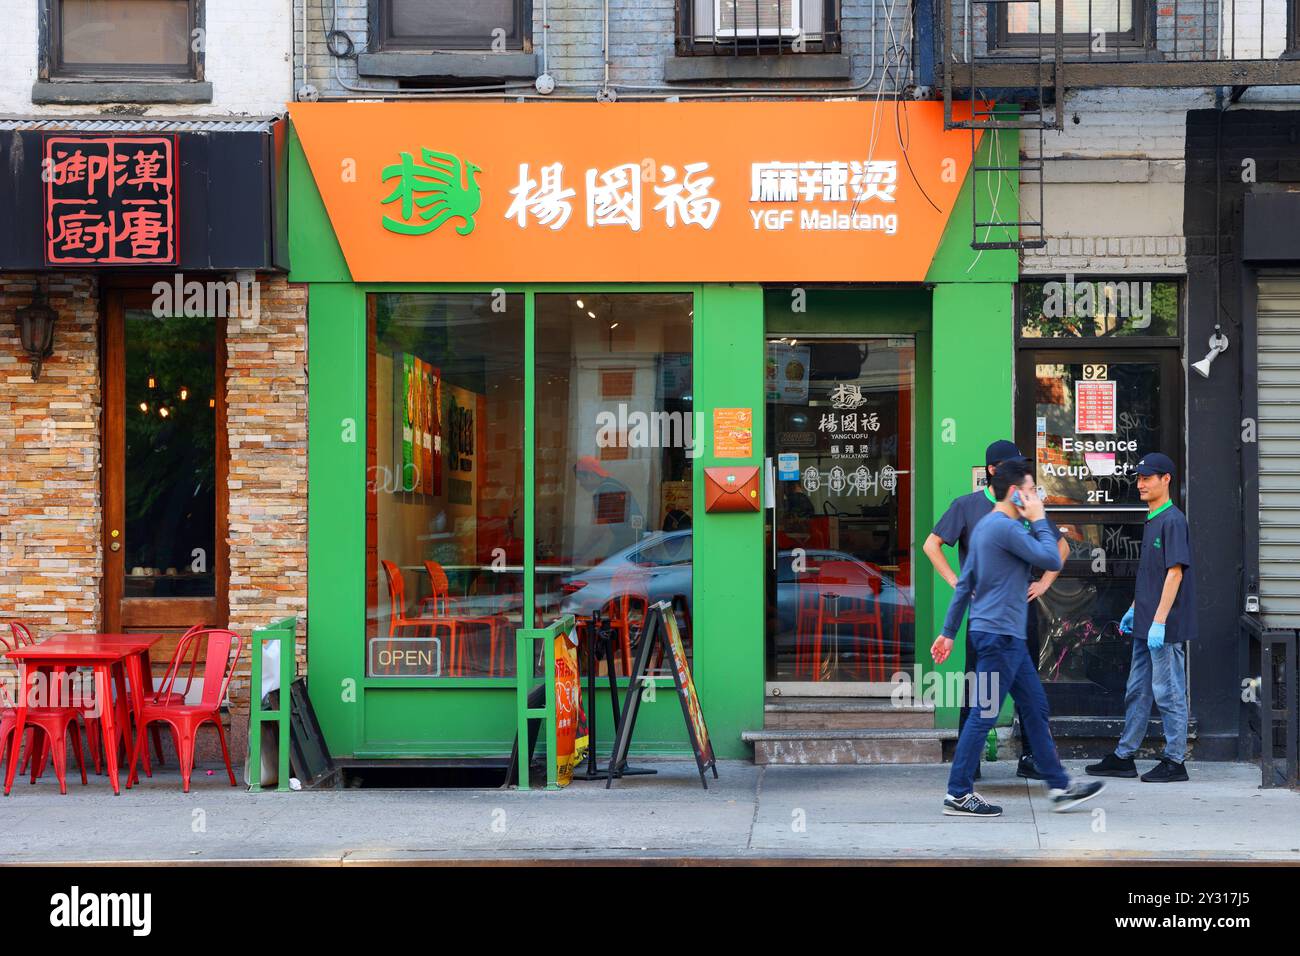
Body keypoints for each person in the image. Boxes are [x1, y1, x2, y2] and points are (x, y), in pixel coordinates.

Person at [932, 457, 1104, 817]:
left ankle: (1058, 786)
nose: (1034, 496)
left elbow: (965, 584)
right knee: (984, 713)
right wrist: (1039, 516)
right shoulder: (1005, 530)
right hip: (999, 637)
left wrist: (948, 633)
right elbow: (1051, 558)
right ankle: (958, 793)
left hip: (1000, 636)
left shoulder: (988, 528)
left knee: (1035, 708)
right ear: (1015, 493)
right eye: (1029, 490)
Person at [923, 439, 1069, 781]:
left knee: (1032, 704)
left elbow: (1059, 547)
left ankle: (1047, 772)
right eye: (1023, 478)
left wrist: (1044, 584)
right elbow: (933, 546)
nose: (1031, 489)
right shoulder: (981, 512)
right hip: (994, 627)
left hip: (1015, 622)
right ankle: (963, 776)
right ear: (995, 473)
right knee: (981, 701)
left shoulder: (1017, 513)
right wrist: (956, 586)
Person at [1087, 452, 1195, 783]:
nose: (1141, 483)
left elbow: (1174, 574)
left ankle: (1175, 761)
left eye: (1148, 478)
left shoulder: (1173, 520)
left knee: (1168, 691)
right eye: (1139, 478)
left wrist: (1160, 621)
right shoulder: (1152, 519)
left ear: (1167, 480)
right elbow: (1151, 574)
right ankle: (1124, 756)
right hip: (1146, 623)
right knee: (1137, 689)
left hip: (1164, 624)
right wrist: (1135, 609)